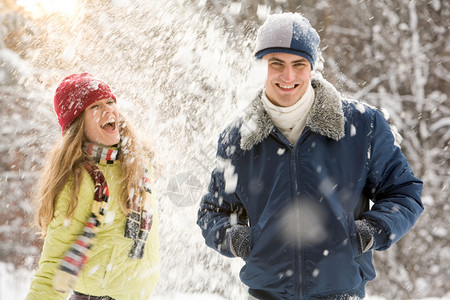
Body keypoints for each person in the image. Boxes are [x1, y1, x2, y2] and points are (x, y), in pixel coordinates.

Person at [197, 12, 423, 300]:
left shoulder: (360, 125)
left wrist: (367, 233)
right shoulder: (238, 138)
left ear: (312, 68)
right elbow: (213, 212)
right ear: (259, 67)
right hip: (266, 294)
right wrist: (241, 240)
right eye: (276, 64)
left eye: (299, 64)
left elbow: (404, 192)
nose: (288, 76)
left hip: (342, 292)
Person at [26, 73, 159, 300]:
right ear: (78, 124)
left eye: (110, 101)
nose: (109, 110)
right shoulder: (80, 182)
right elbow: (54, 269)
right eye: (95, 107)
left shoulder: (136, 161)